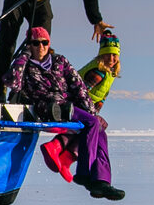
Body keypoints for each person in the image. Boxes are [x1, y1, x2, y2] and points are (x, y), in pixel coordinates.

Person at [7, 27, 124, 200]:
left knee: (98, 130)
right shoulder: (26, 65)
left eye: (44, 42)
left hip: (65, 105)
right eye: (35, 43)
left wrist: (92, 112)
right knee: (92, 123)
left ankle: (101, 181)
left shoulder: (59, 61)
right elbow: (13, 83)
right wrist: (23, 56)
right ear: (29, 45)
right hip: (45, 108)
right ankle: (84, 173)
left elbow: (79, 87)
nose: (40, 47)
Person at [42, 28, 120, 181]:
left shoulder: (110, 72)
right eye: (108, 54)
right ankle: (60, 150)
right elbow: (80, 91)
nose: (111, 58)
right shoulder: (99, 72)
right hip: (74, 105)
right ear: (101, 55)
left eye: (114, 55)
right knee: (93, 127)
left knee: (98, 126)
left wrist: (96, 111)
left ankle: (65, 157)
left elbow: (101, 97)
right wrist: (91, 114)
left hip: (85, 107)